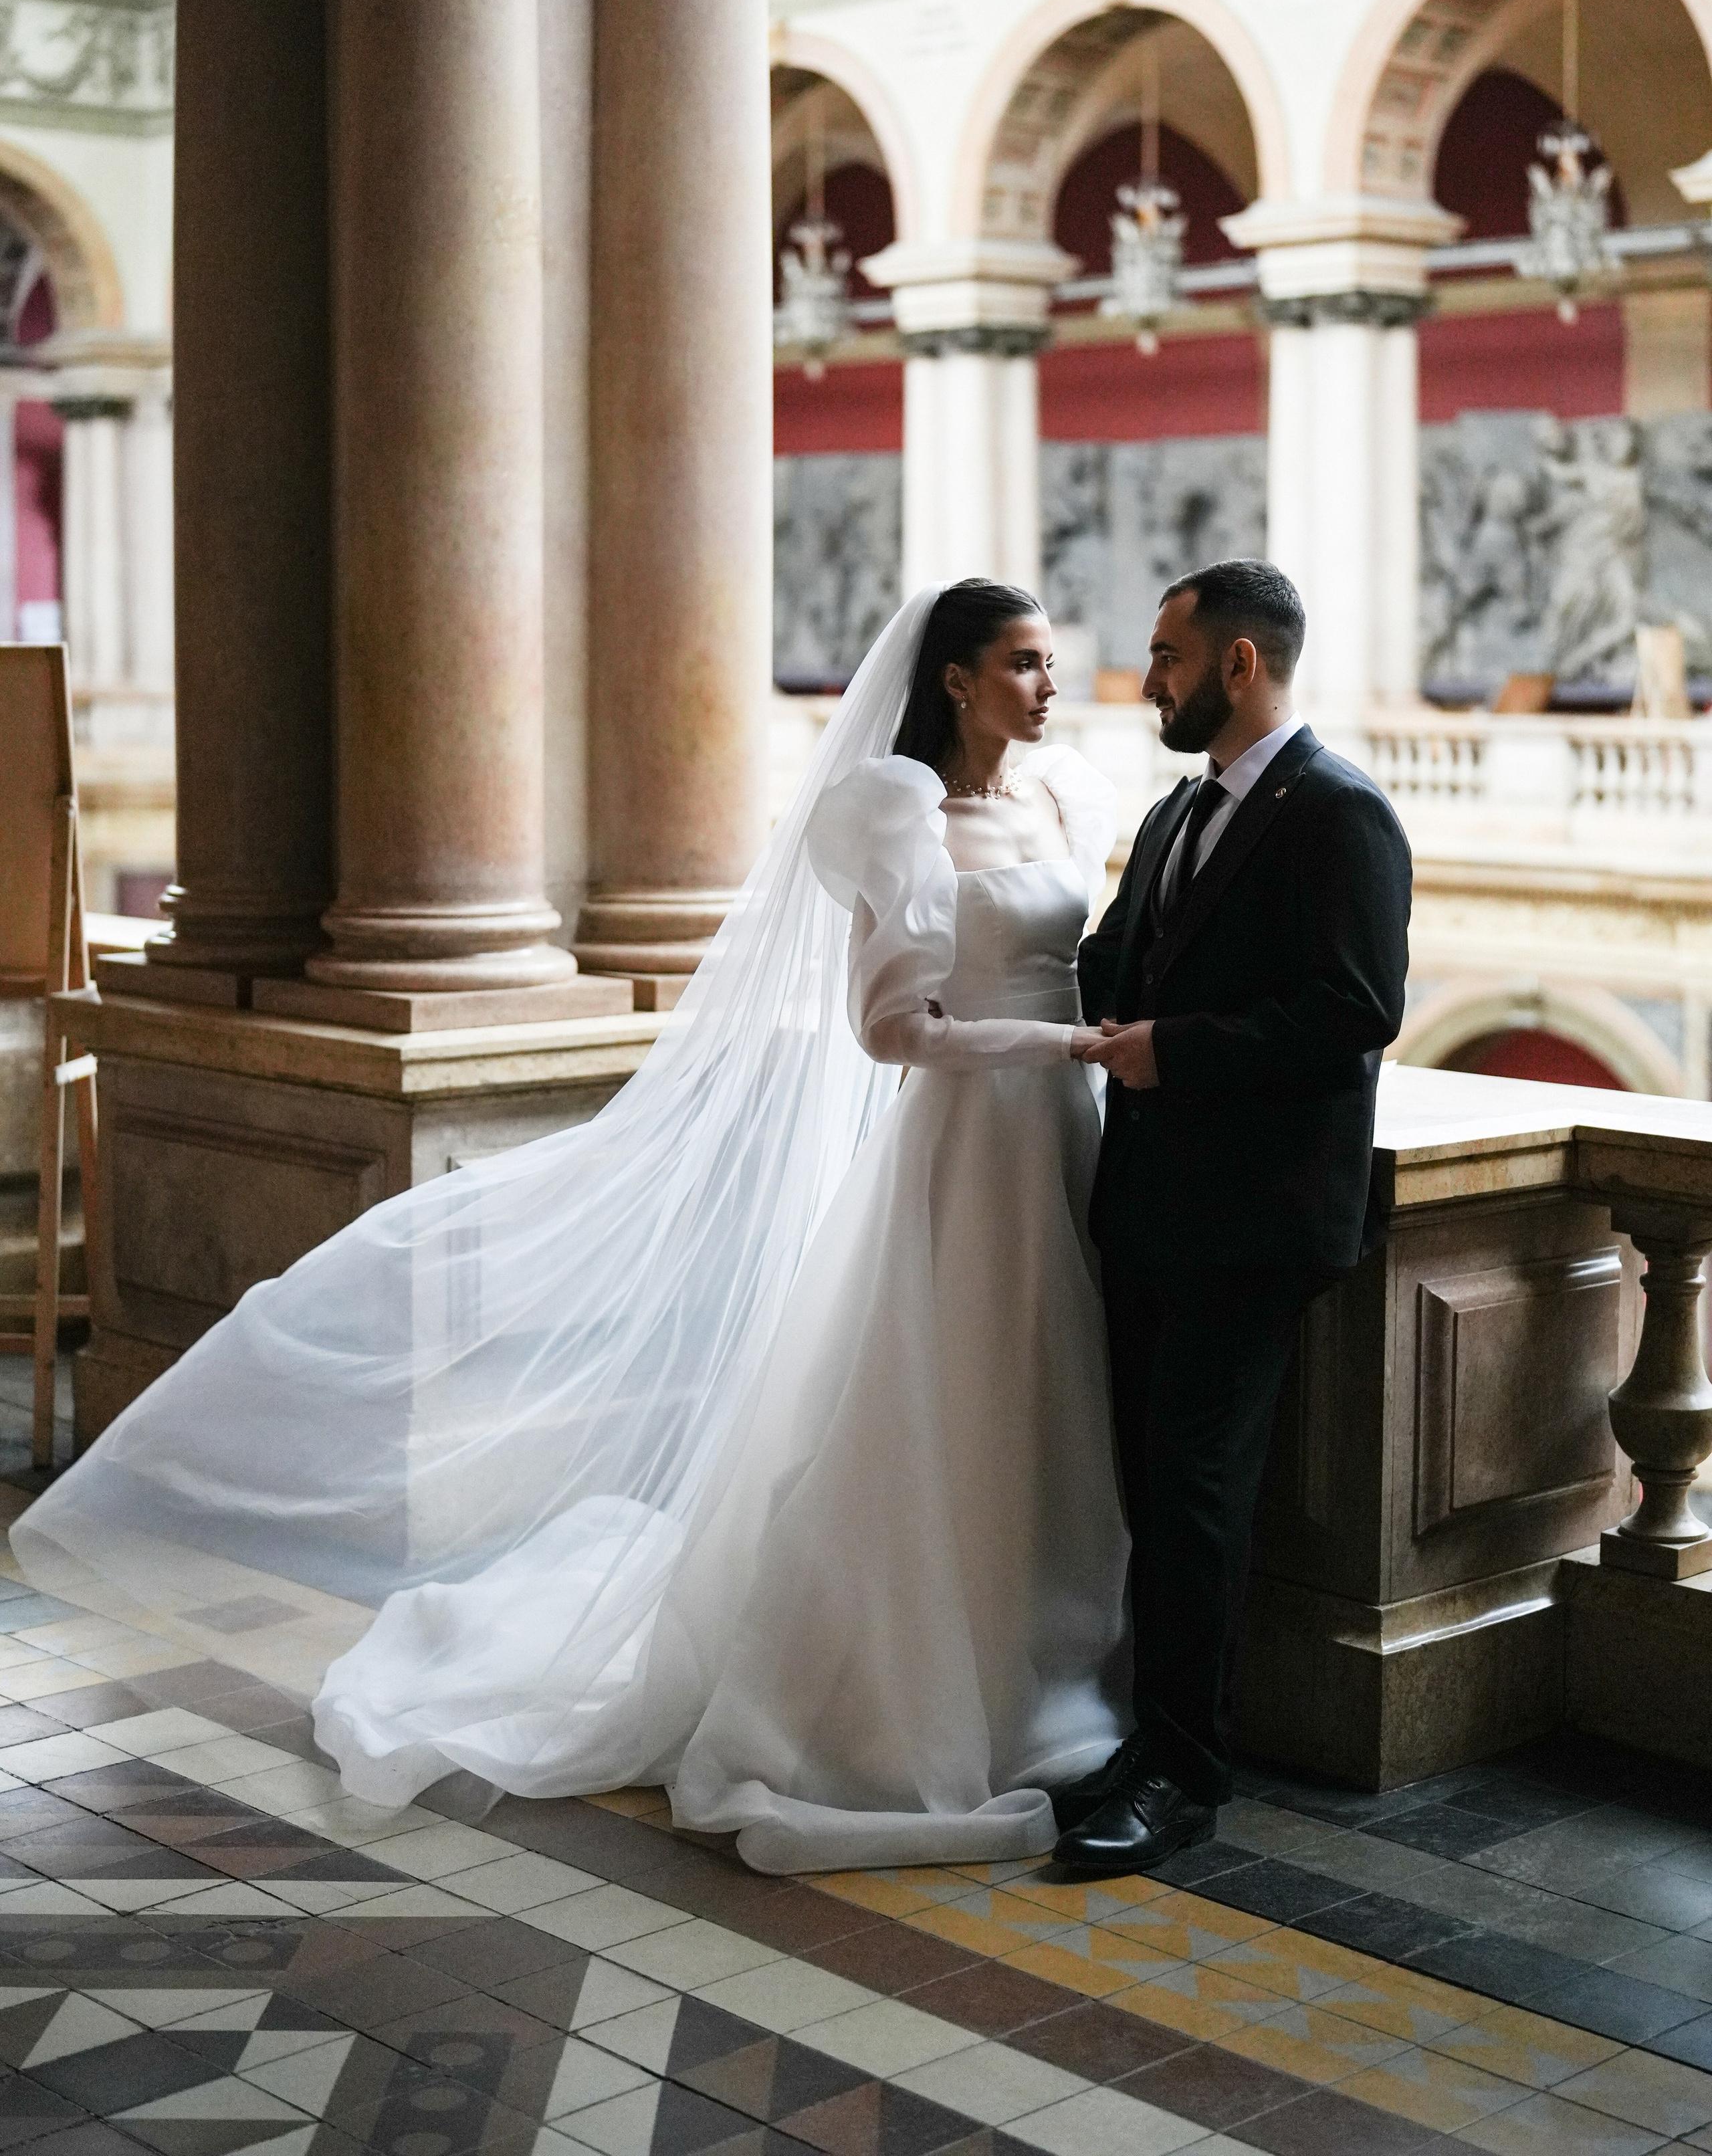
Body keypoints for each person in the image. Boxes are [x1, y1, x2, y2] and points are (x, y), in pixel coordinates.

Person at [14, 580, 1131, 1874]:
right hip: (968, 1150)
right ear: (955, 679)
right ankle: (942, 1692)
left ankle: (1058, 1675)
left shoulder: (1067, 798)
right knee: (956, 1402)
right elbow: (890, 1031)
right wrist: (1063, 1044)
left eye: (1048, 663)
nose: (1050, 683)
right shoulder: (897, 815)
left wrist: (1093, 1057)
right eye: (1024, 663)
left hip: (1071, 1132)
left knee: (1049, 1395)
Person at [1056, 559, 1411, 1876]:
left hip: (1255, 1221)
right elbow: (1115, 958)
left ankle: (1184, 1778)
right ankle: (1148, 1739)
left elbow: (1354, 1010)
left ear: (1239, 664)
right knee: (1155, 1490)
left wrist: (1175, 1051)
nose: (1149, 679)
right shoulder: (1175, 811)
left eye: (1167, 655)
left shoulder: (1341, 813)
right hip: (1148, 1204)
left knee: (1198, 1495)